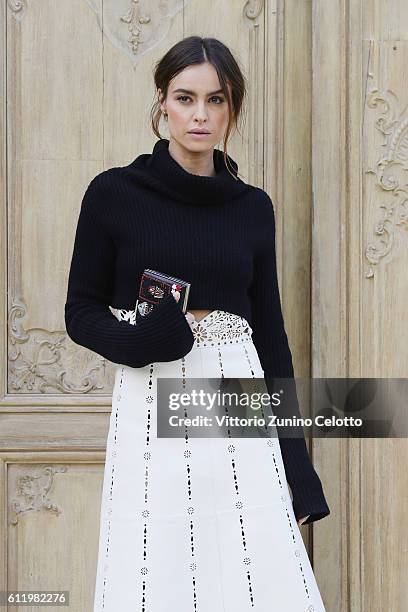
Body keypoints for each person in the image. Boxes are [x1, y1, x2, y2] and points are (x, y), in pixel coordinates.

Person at [65, 35, 330, 612]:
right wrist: (136, 342)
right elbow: (79, 311)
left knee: (251, 571)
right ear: (162, 101)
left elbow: (273, 338)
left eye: (217, 100)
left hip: (238, 386)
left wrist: (297, 465)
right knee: (158, 566)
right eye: (186, 98)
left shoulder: (252, 206)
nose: (201, 115)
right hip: (150, 390)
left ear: (233, 107)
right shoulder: (113, 193)